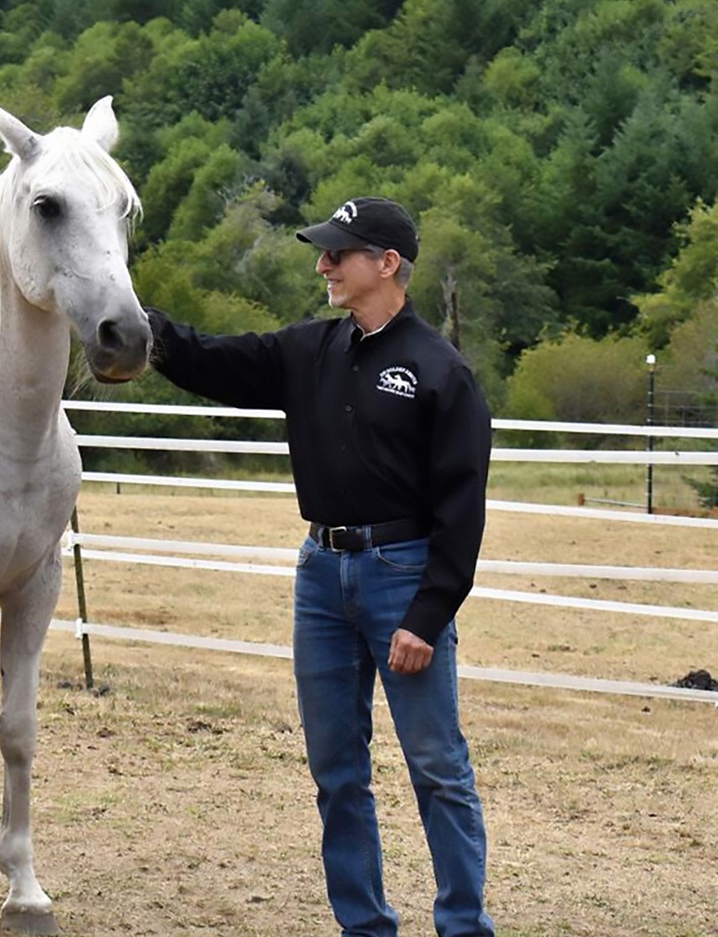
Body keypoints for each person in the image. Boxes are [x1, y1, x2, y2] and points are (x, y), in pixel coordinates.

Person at [143, 196, 495, 937]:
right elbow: (215, 360)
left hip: (404, 576)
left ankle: (464, 924)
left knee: (437, 769)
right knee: (337, 772)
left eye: (339, 252)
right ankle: (363, 925)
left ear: (387, 263)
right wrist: (132, 320)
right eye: (324, 251)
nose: (323, 263)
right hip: (320, 580)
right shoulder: (309, 351)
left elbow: (462, 513)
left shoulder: (440, 369)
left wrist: (426, 614)